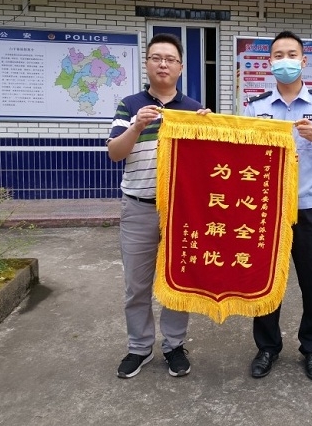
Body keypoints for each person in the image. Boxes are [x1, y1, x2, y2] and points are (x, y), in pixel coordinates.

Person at [244, 30, 312, 380]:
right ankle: (267, 347)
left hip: (311, 208)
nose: (284, 60)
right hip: (266, 211)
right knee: (266, 282)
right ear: (269, 62)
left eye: (291, 54)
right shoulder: (256, 107)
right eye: (278, 55)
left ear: (303, 61)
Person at [107, 33, 204, 379]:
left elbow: (208, 166)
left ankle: (174, 345)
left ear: (180, 67)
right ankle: (139, 347)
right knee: (137, 284)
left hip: (181, 212)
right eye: (156, 58)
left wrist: (209, 130)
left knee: (178, 281)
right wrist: (137, 126)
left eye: (170, 59)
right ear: (147, 64)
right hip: (138, 208)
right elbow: (115, 153)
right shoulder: (130, 105)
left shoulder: (193, 110)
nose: (163, 64)